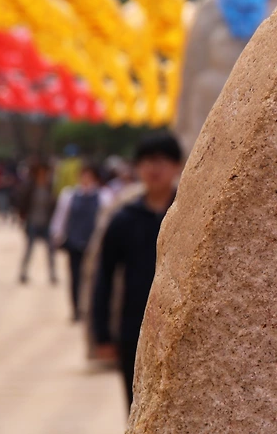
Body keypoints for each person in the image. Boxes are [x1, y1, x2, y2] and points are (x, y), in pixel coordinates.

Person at [92, 134, 183, 409]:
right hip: (134, 328)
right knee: (137, 408)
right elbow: (104, 277)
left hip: (181, 327)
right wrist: (102, 334)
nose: (154, 168)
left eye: (162, 160)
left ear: (177, 166)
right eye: (147, 161)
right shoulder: (123, 219)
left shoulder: (187, 215)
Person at [50, 163, 109, 321]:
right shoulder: (69, 195)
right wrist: (57, 235)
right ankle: (76, 309)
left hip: (94, 246)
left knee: (93, 279)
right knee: (75, 277)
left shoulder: (104, 196)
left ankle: (90, 309)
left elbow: (106, 221)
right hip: (74, 243)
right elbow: (61, 217)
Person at [16, 161, 58, 285]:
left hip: (47, 223)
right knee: (29, 249)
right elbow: (22, 202)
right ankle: (23, 273)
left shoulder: (49, 187)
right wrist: (22, 216)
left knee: (51, 251)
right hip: (33, 222)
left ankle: (52, 274)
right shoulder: (30, 187)